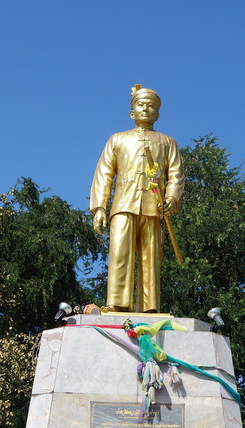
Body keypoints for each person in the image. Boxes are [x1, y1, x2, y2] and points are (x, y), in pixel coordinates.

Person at [90, 85, 183, 313]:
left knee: (151, 258)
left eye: (151, 106)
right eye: (141, 105)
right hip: (123, 204)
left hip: (154, 206)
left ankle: (149, 307)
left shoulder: (167, 142)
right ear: (132, 112)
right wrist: (100, 207)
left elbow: (176, 174)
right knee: (120, 254)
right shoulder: (117, 139)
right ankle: (118, 303)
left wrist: (172, 196)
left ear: (158, 114)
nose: (146, 109)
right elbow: (104, 173)